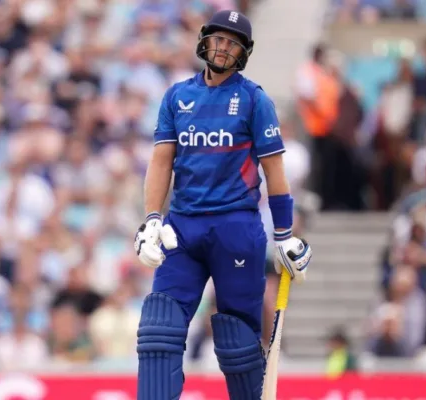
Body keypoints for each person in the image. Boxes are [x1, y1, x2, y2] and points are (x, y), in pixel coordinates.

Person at [133, 10, 313, 400]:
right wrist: (151, 219)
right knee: (158, 330)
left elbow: (274, 170)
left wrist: (284, 235)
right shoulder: (177, 96)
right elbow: (161, 162)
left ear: (243, 52)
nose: (223, 48)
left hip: (236, 229)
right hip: (181, 228)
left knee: (237, 341)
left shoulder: (253, 99)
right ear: (205, 40)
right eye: (218, 39)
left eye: (232, 43)